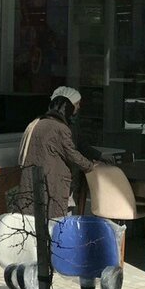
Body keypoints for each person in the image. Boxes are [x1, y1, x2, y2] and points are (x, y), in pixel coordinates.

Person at [11, 86, 98, 219]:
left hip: (34, 180)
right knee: (56, 222)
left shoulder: (36, 123)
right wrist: (91, 166)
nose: (78, 108)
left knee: (35, 219)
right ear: (66, 106)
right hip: (52, 182)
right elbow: (72, 154)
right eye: (76, 104)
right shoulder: (60, 128)